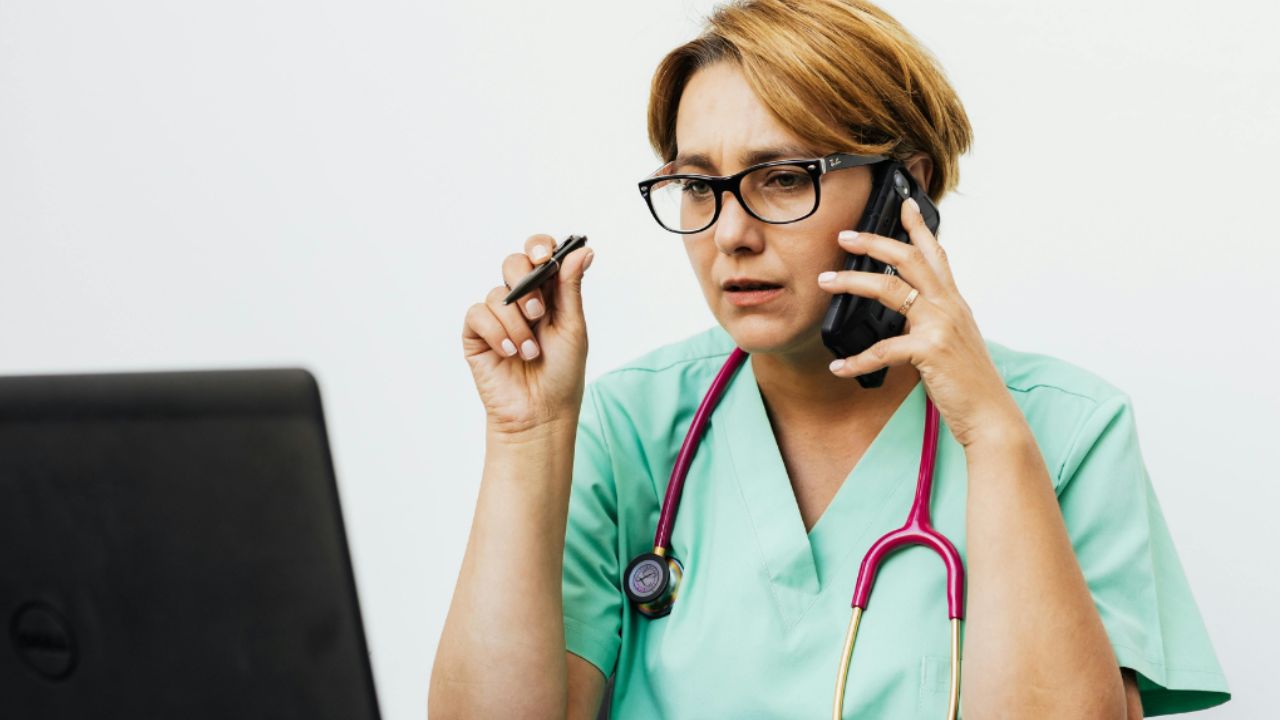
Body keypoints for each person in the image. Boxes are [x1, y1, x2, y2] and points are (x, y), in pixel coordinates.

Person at [430, 1, 1229, 717]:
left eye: (782, 179)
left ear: (905, 193)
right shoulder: (625, 429)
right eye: (698, 186)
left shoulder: (1067, 430)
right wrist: (528, 437)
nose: (729, 234)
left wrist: (991, 437)